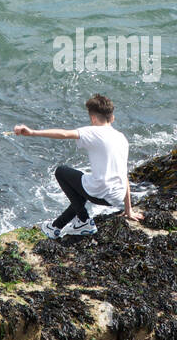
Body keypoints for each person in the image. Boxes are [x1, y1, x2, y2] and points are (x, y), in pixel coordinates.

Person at [13, 94, 143, 238]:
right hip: (117, 197)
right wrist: (128, 209)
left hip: (100, 193)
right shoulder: (121, 138)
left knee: (61, 171)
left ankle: (83, 220)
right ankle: (56, 227)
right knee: (82, 186)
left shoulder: (93, 131)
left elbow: (63, 134)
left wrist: (32, 132)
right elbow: (123, 175)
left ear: (93, 118)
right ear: (112, 117)